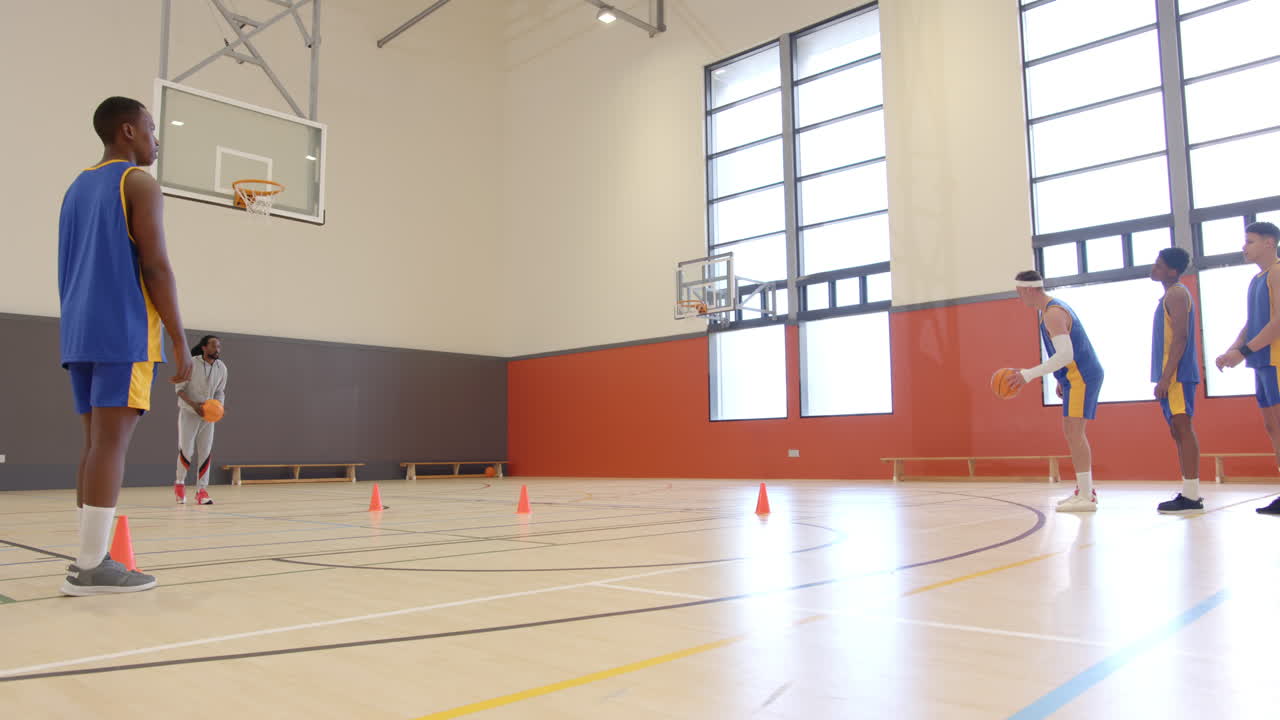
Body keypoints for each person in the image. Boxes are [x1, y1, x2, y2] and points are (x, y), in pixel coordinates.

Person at [58, 96, 191, 595]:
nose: (157, 140)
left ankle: (89, 557)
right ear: (128, 131)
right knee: (111, 445)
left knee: (95, 444)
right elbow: (155, 265)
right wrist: (178, 338)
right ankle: (92, 566)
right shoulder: (138, 182)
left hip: (80, 330)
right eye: (152, 128)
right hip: (124, 330)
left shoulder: (77, 186)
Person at [1007, 270, 1105, 512]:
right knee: (1072, 432)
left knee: (1074, 432)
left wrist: (1027, 375)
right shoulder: (1049, 311)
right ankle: (1084, 491)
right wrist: (1061, 377)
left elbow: (1065, 355)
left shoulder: (1052, 313)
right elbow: (1066, 354)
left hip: (1082, 376)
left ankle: (1086, 496)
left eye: (1020, 293)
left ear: (1029, 289)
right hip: (1074, 376)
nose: (1020, 298)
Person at [1214, 221, 1280, 515]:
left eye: (1250, 241)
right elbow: (1252, 322)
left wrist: (1243, 352)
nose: (1244, 247)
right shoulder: (1256, 280)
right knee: (1272, 428)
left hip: (1275, 360)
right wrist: (1233, 349)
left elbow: (1278, 322)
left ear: (1269, 243)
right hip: (1260, 362)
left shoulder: (1277, 272)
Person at [1150, 248, 1203, 514]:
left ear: (1172, 271)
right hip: (1172, 374)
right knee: (1177, 430)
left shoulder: (1177, 294)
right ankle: (1188, 491)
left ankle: (1192, 496)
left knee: (1183, 428)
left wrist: (1166, 376)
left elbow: (1181, 337)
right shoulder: (1169, 295)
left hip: (1177, 375)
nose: (1154, 268)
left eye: (1159, 265)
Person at [175, 335, 227, 505]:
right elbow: (179, 390)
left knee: (205, 451)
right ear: (204, 347)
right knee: (186, 450)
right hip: (189, 413)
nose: (217, 349)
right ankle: (180, 484)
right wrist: (194, 405)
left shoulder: (221, 367)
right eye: (213, 346)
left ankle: (201, 491)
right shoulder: (190, 363)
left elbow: (220, 391)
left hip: (208, 415)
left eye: (218, 347)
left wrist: (219, 407)